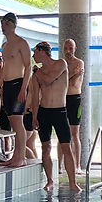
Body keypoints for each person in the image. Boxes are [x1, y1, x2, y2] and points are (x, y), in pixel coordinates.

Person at [31, 42, 81, 191]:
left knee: (66, 147)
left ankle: (73, 183)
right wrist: (34, 116)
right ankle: (50, 181)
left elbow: (48, 79)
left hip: (60, 111)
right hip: (44, 112)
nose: (33, 56)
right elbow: (35, 97)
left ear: (42, 52)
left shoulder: (61, 64)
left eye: (35, 52)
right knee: (45, 148)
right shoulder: (36, 74)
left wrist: (36, 72)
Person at [0, 12, 32, 167]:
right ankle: (15, 156)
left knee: (18, 121)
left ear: (12, 25)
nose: (2, 27)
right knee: (12, 121)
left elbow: (29, 66)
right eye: (2, 24)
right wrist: (2, 88)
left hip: (19, 84)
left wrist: (24, 88)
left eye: (5, 24)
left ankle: (22, 157)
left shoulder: (21, 43)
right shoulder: (5, 46)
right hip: (8, 85)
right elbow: (5, 68)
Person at [63, 38, 85, 168]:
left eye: (70, 48)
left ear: (75, 49)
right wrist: (74, 74)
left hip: (75, 99)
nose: (68, 51)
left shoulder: (79, 62)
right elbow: (66, 81)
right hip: (63, 99)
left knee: (74, 134)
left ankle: (77, 166)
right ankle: (60, 166)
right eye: (66, 48)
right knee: (62, 134)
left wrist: (72, 76)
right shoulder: (61, 64)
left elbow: (72, 83)